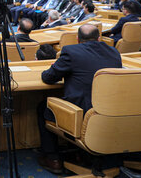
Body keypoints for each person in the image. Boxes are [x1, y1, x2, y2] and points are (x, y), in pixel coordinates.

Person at [37, 24, 122, 173]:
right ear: (99, 38)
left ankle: (52, 158)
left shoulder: (71, 51)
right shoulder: (114, 52)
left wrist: (57, 67)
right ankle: (79, 154)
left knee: (44, 105)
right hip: (110, 111)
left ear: (77, 39)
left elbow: (48, 78)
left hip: (82, 114)